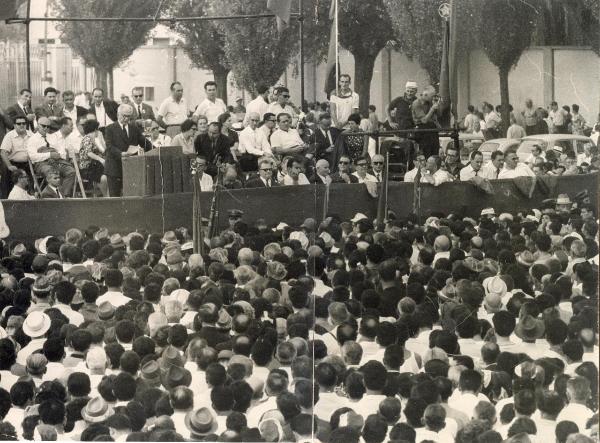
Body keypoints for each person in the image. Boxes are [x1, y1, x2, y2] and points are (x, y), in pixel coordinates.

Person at [104, 103, 151, 197]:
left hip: (130, 168)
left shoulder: (134, 128)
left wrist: (156, 149)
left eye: (129, 117)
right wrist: (121, 153)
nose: (126, 119)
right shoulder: (110, 129)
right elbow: (109, 147)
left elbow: (145, 143)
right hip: (114, 168)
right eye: (124, 116)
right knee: (115, 197)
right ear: (118, 114)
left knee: (131, 196)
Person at [27, 116, 76, 197]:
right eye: (43, 126)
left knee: (71, 171)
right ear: (38, 125)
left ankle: (63, 195)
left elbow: (61, 151)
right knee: (53, 173)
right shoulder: (32, 139)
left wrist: (58, 154)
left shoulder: (52, 137)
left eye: (48, 126)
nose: (46, 128)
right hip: (42, 164)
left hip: (56, 161)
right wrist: (49, 154)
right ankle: (55, 196)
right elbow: (33, 156)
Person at [0, 115, 32, 197]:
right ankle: (6, 201)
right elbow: (3, 152)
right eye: (19, 123)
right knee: (6, 176)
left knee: (30, 185)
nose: (22, 125)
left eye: (24, 123)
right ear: (14, 125)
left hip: (29, 164)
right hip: (14, 164)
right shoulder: (9, 135)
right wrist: (9, 165)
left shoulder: (31, 135)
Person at [78, 119, 108, 197]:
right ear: (95, 129)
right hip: (87, 168)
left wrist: (101, 140)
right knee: (104, 177)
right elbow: (89, 153)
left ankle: (108, 195)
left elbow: (104, 151)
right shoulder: (87, 138)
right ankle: (107, 196)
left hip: (95, 166)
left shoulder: (95, 139)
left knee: (108, 174)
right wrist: (100, 159)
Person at [411, 86, 441, 158]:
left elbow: (437, 116)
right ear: (426, 95)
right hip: (422, 129)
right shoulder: (416, 103)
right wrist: (432, 109)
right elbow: (424, 120)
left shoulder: (429, 102)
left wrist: (437, 106)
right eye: (432, 96)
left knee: (435, 150)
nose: (433, 98)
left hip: (431, 129)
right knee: (426, 152)